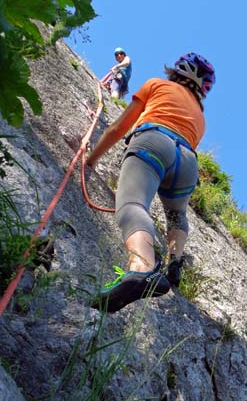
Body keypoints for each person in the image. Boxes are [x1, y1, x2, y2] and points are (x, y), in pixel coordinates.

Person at [86, 52, 216, 313]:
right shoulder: (200, 118)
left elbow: (118, 128)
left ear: (176, 71)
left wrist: (90, 160)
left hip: (154, 141)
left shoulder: (157, 85)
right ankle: (175, 259)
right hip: (187, 161)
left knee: (133, 203)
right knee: (177, 212)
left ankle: (142, 267)